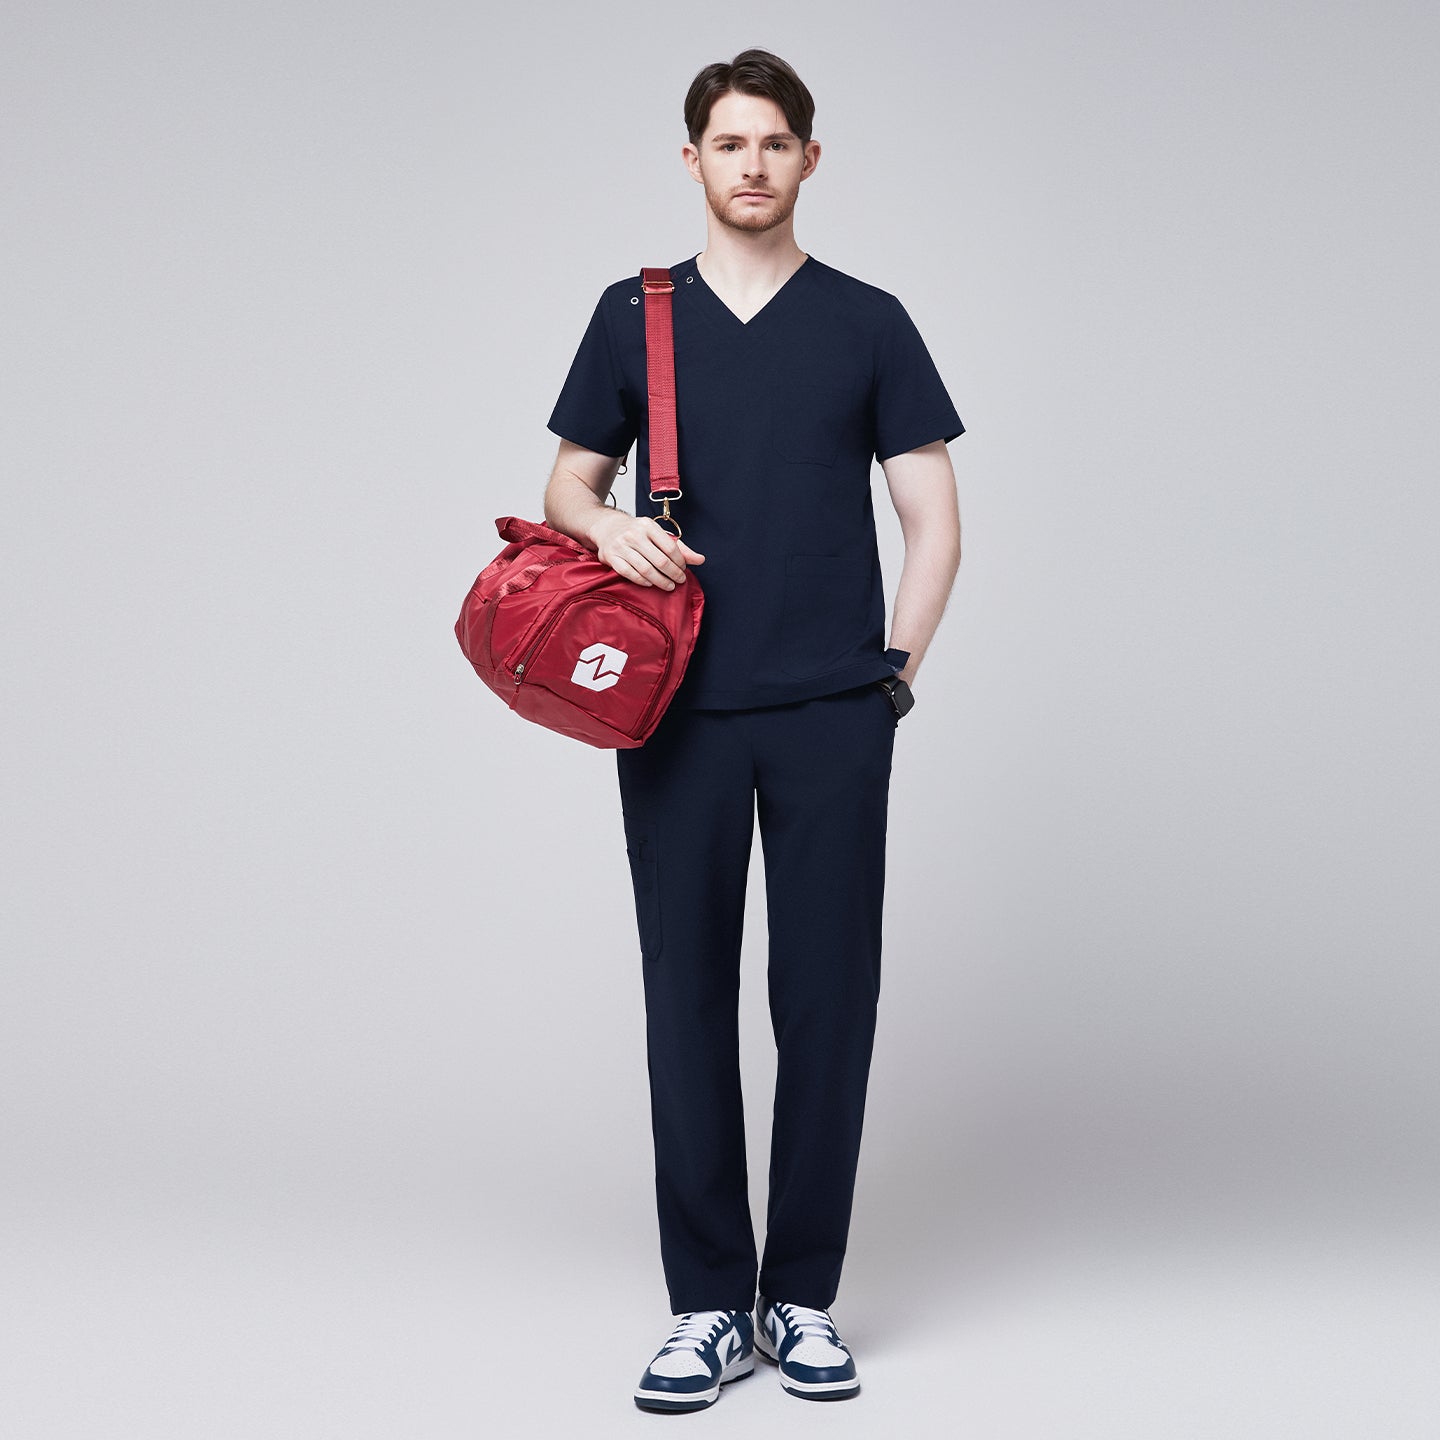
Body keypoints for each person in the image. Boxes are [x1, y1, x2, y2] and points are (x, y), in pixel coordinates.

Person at [541, 48, 964, 1412]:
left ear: (809, 161)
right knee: (687, 1002)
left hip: (836, 712)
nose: (752, 164)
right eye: (729, 143)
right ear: (692, 162)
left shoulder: (869, 322)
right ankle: (711, 1303)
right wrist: (606, 523)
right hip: (676, 713)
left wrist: (893, 675)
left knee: (829, 1002)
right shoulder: (632, 315)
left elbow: (933, 517)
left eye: (775, 142)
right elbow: (564, 482)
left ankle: (806, 1297)